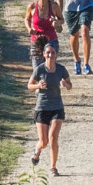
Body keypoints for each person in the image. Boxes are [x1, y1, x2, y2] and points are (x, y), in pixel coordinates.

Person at [28, 41, 72, 175]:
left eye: (53, 53)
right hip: (42, 107)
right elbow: (29, 85)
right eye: (48, 53)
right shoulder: (39, 69)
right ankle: (37, 151)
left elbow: (70, 85)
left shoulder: (61, 69)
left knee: (53, 138)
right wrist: (38, 86)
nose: (50, 55)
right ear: (44, 54)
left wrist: (65, 84)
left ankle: (53, 167)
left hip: (57, 107)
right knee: (44, 141)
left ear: (56, 54)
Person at [26, 0, 59, 68]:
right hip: (36, 41)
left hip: (51, 40)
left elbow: (61, 19)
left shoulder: (54, 6)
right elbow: (27, 19)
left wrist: (56, 22)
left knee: (50, 68)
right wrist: (29, 28)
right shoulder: (32, 7)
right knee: (37, 69)